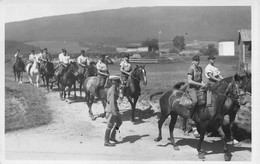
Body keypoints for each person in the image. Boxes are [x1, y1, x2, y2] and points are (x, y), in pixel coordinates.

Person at [185, 55, 206, 138]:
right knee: (195, 101)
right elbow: (189, 81)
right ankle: (190, 118)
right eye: (196, 60)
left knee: (207, 99)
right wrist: (200, 84)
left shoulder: (200, 69)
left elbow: (201, 79)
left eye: (198, 60)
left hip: (199, 88)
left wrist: (203, 84)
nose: (198, 62)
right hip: (192, 89)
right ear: (193, 61)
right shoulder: (191, 69)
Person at [104, 76, 122, 147]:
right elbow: (112, 102)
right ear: (115, 83)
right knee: (109, 126)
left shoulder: (113, 89)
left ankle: (112, 136)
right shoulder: (112, 91)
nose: (119, 84)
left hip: (114, 109)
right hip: (111, 110)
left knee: (119, 122)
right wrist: (114, 112)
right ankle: (106, 141)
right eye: (118, 83)